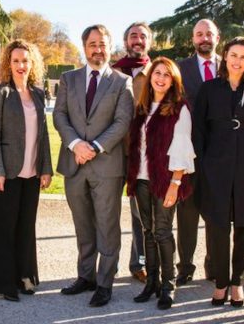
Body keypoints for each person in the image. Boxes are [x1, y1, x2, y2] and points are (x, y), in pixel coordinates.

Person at [53, 24, 134, 307]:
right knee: (83, 225)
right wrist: (76, 144)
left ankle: (104, 283)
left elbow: (122, 122)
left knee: (107, 226)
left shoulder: (122, 82)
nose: (98, 49)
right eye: (92, 44)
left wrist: (95, 147)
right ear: (84, 46)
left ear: (110, 47)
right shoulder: (68, 78)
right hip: (74, 163)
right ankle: (85, 277)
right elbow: (60, 115)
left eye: (103, 44)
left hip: (107, 166)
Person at [192, 36, 244, 307]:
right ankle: (220, 283)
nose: (238, 60)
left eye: (243, 56)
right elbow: (199, 130)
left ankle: (238, 282)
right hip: (215, 164)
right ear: (224, 56)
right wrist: (201, 163)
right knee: (217, 226)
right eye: (234, 55)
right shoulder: (209, 89)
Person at [0, 39, 53, 302]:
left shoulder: (37, 93)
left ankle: (26, 276)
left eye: (25, 60)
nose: (21, 65)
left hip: (32, 173)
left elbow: (44, 135)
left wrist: (45, 168)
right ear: (8, 63)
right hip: (8, 173)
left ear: (32, 63)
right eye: (15, 61)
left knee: (26, 226)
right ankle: (5, 284)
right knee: (5, 227)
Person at [126, 57, 195, 310]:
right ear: (150, 76)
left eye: (167, 74)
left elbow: (182, 148)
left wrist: (175, 183)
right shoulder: (143, 107)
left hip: (166, 180)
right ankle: (151, 282)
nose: (161, 78)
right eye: (157, 73)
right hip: (141, 179)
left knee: (163, 231)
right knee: (147, 231)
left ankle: (168, 285)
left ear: (173, 80)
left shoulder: (180, 108)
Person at [175, 19, 221, 285]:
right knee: (188, 214)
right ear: (193, 39)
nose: (204, 38)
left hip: (220, 154)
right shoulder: (181, 68)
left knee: (217, 213)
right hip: (189, 152)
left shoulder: (229, 66)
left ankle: (213, 265)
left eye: (209, 34)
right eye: (199, 34)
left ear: (217, 37)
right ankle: (185, 266)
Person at [113, 21, 153, 283]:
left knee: (141, 213)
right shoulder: (113, 72)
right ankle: (105, 264)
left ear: (150, 41)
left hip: (142, 154)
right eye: (133, 36)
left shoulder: (158, 72)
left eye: (143, 36)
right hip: (112, 151)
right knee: (106, 211)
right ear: (126, 41)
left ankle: (138, 262)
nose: (137, 40)